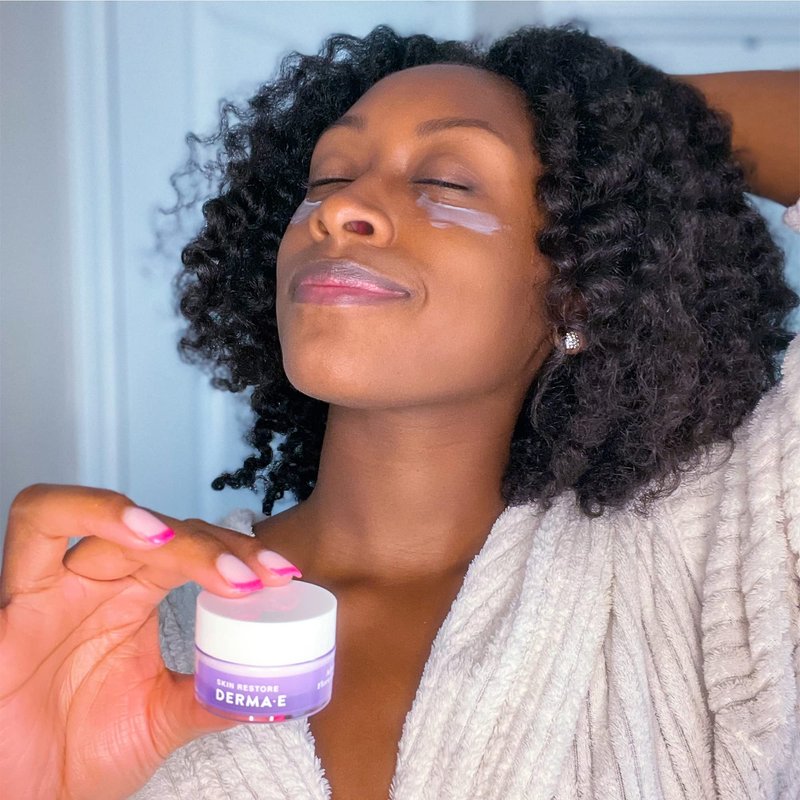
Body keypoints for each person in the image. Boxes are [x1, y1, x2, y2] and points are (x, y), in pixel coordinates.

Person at [2, 23, 798, 800]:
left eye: (446, 181)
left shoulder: (699, 568)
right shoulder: (117, 642)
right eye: (327, 178)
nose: (341, 210)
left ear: (580, 286)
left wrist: (623, 128)